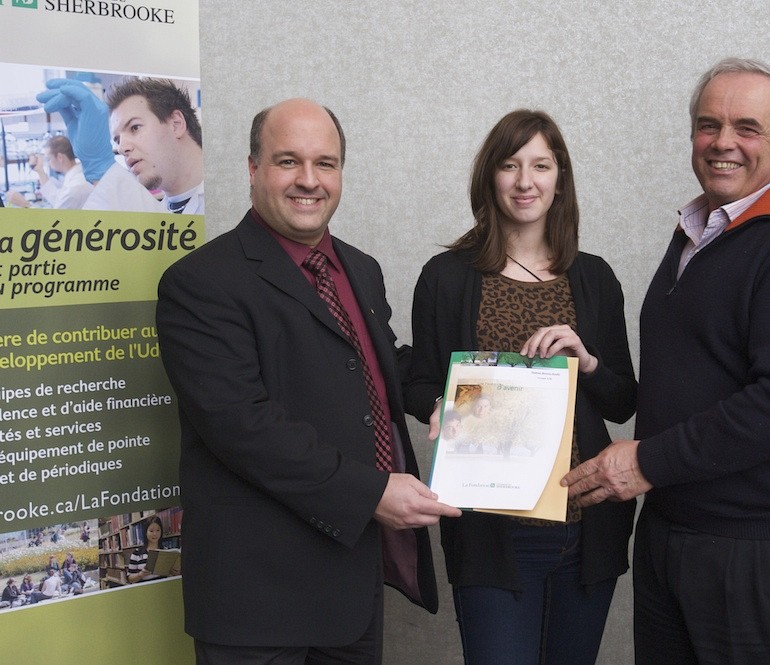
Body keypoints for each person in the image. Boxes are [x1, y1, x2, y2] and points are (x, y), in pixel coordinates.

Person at [561, 58, 770, 665]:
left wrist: (646, 461)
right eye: (709, 125)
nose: (723, 142)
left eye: (747, 128)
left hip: (766, 554)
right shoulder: (694, 235)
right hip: (673, 535)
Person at [156, 97, 460, 664]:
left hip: (350, 587)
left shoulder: (360, 268)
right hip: (256, 600)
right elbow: (241, 424)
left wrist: (449, 398)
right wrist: (371, 493)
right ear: (253, 168)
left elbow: (373, 362)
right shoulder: (199, 283)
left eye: (326, 163)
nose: (309, 180)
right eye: (288, 161)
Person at [406, 109, 638, 665]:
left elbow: (623, 401)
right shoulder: (446, 277)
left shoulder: (595, 276)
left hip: (585, 524)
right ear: (490, 176)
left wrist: (588, 363)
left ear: (560, 178)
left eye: (541, 165)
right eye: (510, 165)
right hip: (491, 531)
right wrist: (442, 406)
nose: (525, 181)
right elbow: (418, 382)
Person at [36, 76, 204, 214]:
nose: (122, 148)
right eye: (117, 140)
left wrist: (101, 168)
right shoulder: (160, 208)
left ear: (176, 124)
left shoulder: (219, 199)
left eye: (135, 127)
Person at [3, 136, 93, 209]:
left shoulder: (75, 186)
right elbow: (58, 199)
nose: (48, 163)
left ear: (60, 157)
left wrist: (25, 204)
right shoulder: (76, 177)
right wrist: (40, 171)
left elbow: (53, 219)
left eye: (49, 158)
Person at [126, 515, 175, 584]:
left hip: (163, 588)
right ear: (146, 532)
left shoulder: (166, 552)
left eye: (158, 530)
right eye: (151, 531)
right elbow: (130, 579)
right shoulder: (137, 553)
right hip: (145, 589)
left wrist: (172, 572)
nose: (155, 534)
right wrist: (140, 575)